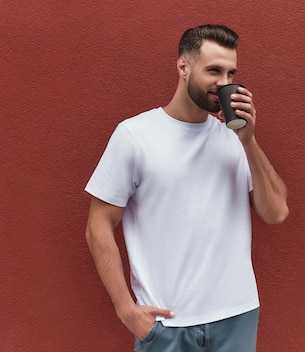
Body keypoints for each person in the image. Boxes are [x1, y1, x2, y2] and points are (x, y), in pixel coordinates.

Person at [84, 24, 288, 352]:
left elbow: (276, 212)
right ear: (183, 67)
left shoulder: (234, 141)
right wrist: (127, 311)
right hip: (166, 325)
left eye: (230, 72)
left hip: (237, 316)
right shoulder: (135, 136)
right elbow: (98, 227)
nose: (224, 83)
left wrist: (249, 142)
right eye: (213, 71)